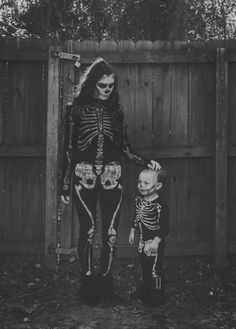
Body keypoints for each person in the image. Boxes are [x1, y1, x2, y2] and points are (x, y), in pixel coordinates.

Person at [61, 57, 161, 304]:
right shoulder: (75, 110)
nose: (106, 90)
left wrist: (145, 161)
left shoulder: (116, 111)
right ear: (92, 83)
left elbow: (125, 147)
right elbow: (69, 148)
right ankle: (87, 283)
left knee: (111, 231)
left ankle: (105, 281)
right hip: (83, 174)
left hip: (112, 175)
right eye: (102, 85)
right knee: (88, 230)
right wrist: (64, 182)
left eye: (110, 85)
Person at [129, 168, 169, 306]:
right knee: (144, 266)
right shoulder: (139, 200)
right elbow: (137, 216)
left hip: (154, 242)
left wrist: (157, 241)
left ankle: (158, 294)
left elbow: (164, 227)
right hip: (142, 240)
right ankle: (145, 289)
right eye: (139, 182)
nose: (141, 185)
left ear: (158, 186)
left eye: (146, 183)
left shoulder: (160, 205)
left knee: (155, 268)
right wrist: (132, 230)